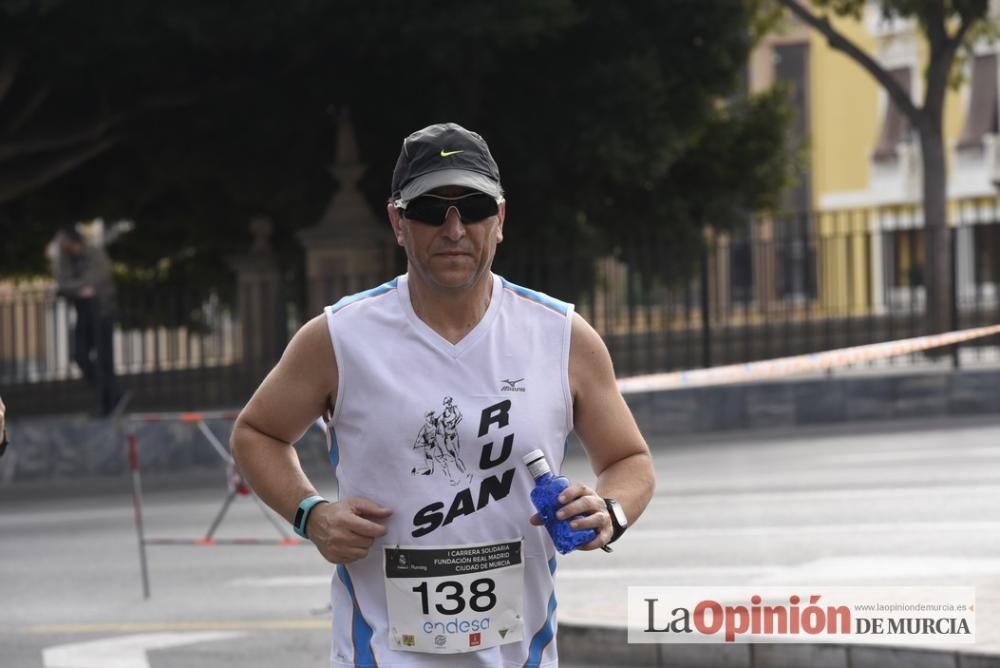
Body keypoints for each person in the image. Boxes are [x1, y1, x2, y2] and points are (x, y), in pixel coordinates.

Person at [231, 122, 655, 667]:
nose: (453, 229)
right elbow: (256, 432)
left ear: (499, 218)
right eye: (431, 210)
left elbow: (630, 459)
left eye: (472, 207)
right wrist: (311, 514)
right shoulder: (339, 337)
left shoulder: (562, 335)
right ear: (397, 222)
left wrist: (609, 511)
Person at [55, 226, 125, 417]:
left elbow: (95, 280)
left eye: (65, 243)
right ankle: (113, 394)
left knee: (104, 360)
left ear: (74, 240)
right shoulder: (66, 258)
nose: (63, 247)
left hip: (101, 310)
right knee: (80, 355)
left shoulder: (94, 253)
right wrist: (79, 289)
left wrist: (76, 288)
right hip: (83, 311)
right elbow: (63, 283)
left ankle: (107, 403)